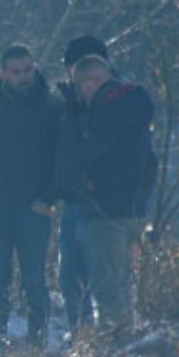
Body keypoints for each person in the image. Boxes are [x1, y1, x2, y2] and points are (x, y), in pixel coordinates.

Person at [0, 44, 60, 346]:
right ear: (2, 74)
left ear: (35, 68)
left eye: (28, 70)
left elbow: (61, 160)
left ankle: (38, 343)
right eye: (16, 72)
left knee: (34, 281)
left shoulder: (51, 108)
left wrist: (48, 199)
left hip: (35, 209)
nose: (23, 77)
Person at [67, 54, 154, 341]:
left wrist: (87, 182)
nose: (80, 92)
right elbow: (150, 164)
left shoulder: (107, 112)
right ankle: (128, 341)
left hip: (106, 211)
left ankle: (118, 346)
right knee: (122, 282)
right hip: (134, 210)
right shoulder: (134, 107)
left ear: (92, 83)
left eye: (80, 85)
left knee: (107, 285)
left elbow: (85, 154)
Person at [54, 35, 108, 339]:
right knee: (70, 278)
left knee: (106, 279)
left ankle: (109, 340)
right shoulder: (63, 102)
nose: (86, 79)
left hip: (106, 206)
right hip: (73, 203)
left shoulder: (120, 101)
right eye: (78, 70)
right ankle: (82, 339)